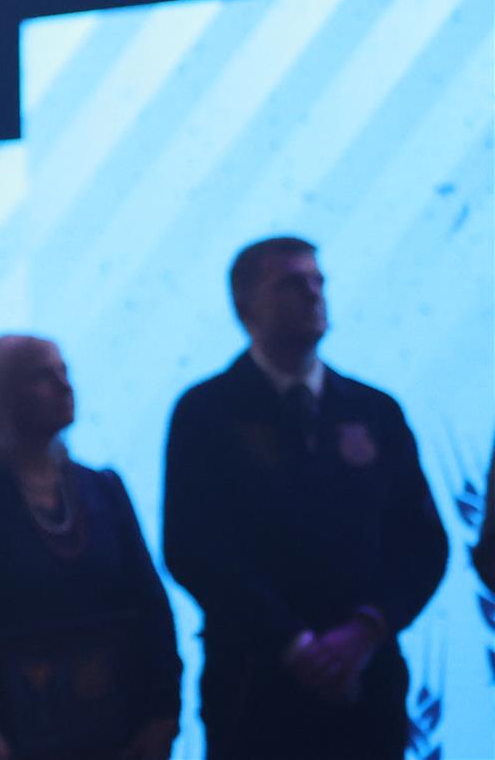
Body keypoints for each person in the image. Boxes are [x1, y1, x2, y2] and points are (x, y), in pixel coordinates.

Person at [163, 238, 447, 760]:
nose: (313, 294)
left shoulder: (374, 410)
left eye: (318, 281)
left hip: (369, 686)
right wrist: (291, 641)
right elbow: (192, 547)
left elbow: (424, 541)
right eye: (292, 284)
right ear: (245, 306)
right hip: (254, 687)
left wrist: (367, 628)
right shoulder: (206, 414)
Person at [0, 336, 180, 760]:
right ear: (2, 395)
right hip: (14, 732)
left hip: (122, 727)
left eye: (64, 372)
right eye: (43, 375)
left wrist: (164, 710)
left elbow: (149, 603)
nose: (65, 386)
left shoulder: (103, 488)